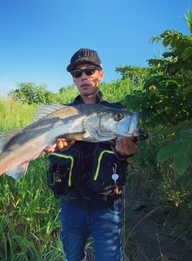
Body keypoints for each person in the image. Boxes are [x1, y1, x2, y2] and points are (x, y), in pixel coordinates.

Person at [45, 48, 139, 261]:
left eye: (90, 70)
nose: (84, 76)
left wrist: (127, 151)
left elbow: (131, 142)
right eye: (77, 74)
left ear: (100, 74)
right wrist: (60, 148)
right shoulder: (62, 114)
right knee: (73, 256)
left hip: (106, 205)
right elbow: (48, 149)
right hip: (72, 204)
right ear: (74, 80)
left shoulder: (116, 112)